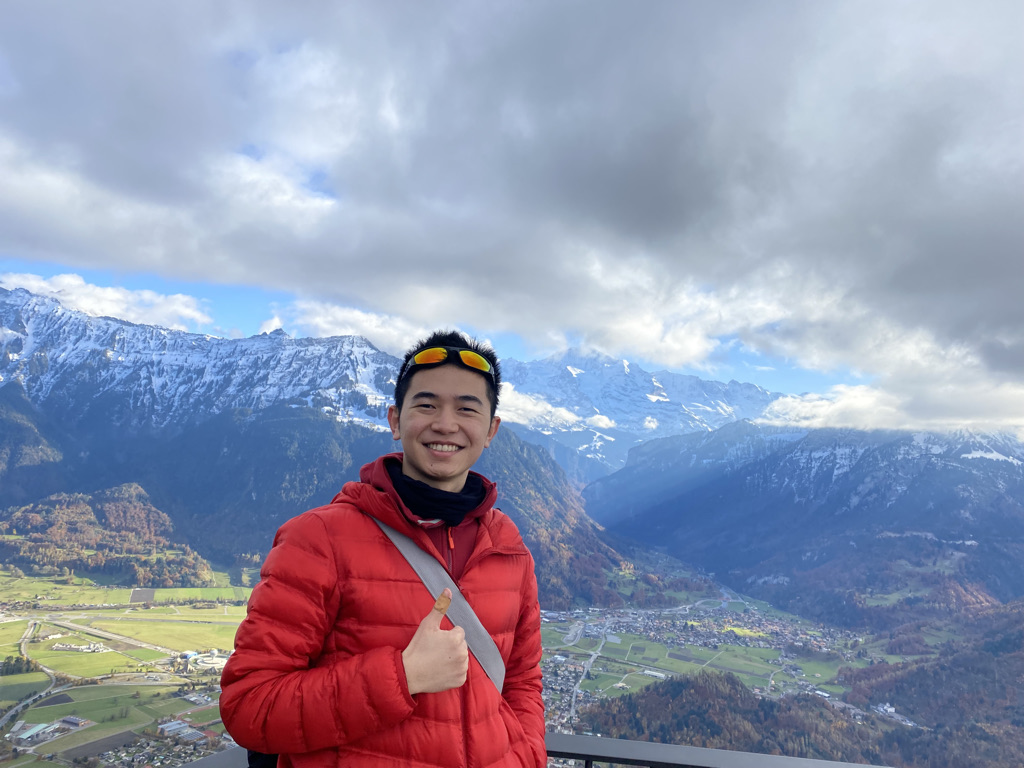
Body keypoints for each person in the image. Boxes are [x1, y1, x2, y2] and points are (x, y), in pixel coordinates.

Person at [220, 330, 546, 768]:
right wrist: (402, 676)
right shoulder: (319, 539)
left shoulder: (507, 546)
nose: (445, 424)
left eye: (467, 409)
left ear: (491, 431)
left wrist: (525, 756)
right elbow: (250, 706)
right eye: (426, 405)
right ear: (395, 421)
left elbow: (523, 682)